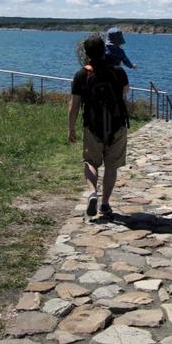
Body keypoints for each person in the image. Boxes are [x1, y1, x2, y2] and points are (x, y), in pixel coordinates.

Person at [68, 34, 129, 216]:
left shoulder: (81, 74)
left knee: (90, 162)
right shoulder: (118, 71)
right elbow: (125, 91)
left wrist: (71, 127)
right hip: (117, 125)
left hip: (92, 125)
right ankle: (105, 204)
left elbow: (74, 104)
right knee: (111, 166)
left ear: (86, 53)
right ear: (104, 50)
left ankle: (92, 192)